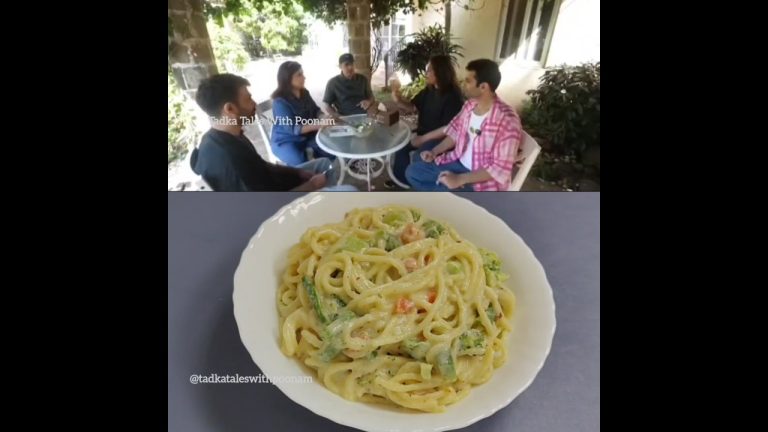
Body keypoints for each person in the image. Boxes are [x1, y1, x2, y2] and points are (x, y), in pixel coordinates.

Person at [190, 73, 356, 192]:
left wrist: (299, 172)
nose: (254, 104)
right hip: (275, 207)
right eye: (248, 99)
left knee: (322, 163)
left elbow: (262, 165)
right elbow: (266, 208)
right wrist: (312, 185)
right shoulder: (231, 160)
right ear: (230, 109)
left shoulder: (220, 136)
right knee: (351, 189)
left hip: (273, 182)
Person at [405, 59, 522, 191]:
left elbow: (498, 169)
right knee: (412, 172)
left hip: (480, 181)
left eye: (468, 81)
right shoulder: (470, 105)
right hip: (458, 162)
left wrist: (459, 179)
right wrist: (434, 152)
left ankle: (453, 196)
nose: (463, 83)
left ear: (483, 87)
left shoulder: (507, 121)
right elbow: (454, 132)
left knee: (435, 185)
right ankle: (449, 194)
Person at [389, 55, 464, 187]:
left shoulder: (453, 97)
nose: (426, 73)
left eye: (429, 70)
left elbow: (449, 129)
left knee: (420, 156)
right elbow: (412, 107)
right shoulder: (429, 90)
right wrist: (398, 100)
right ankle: (401, 181)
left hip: (440, 140)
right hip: (423, 134)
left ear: (440, 72)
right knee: (400, 146)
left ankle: (417, 181)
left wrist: (423, 139)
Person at [270, 61, 336, 166]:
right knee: (301, 163)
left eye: (302, 74)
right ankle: (310, 179)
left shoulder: (304, 93)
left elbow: (315, 110)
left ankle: (326, 173)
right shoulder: (280, 102)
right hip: (286, 140)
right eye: (299, 75)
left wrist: (323, 116)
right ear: (287, 79)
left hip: (307, 136)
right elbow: (293, 128)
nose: (304, 77)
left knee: (331, 149)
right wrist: (320, 124)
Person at [323, 53, 378, 119]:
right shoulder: (333, 83)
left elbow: (371, 97)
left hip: (365, 115)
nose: (350, 67)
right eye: (346, 64)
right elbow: (326, 104)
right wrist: (336, 115)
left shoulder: (362, 79)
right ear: (340, 66)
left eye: (352, 64)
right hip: (345, 117)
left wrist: (369, 102)